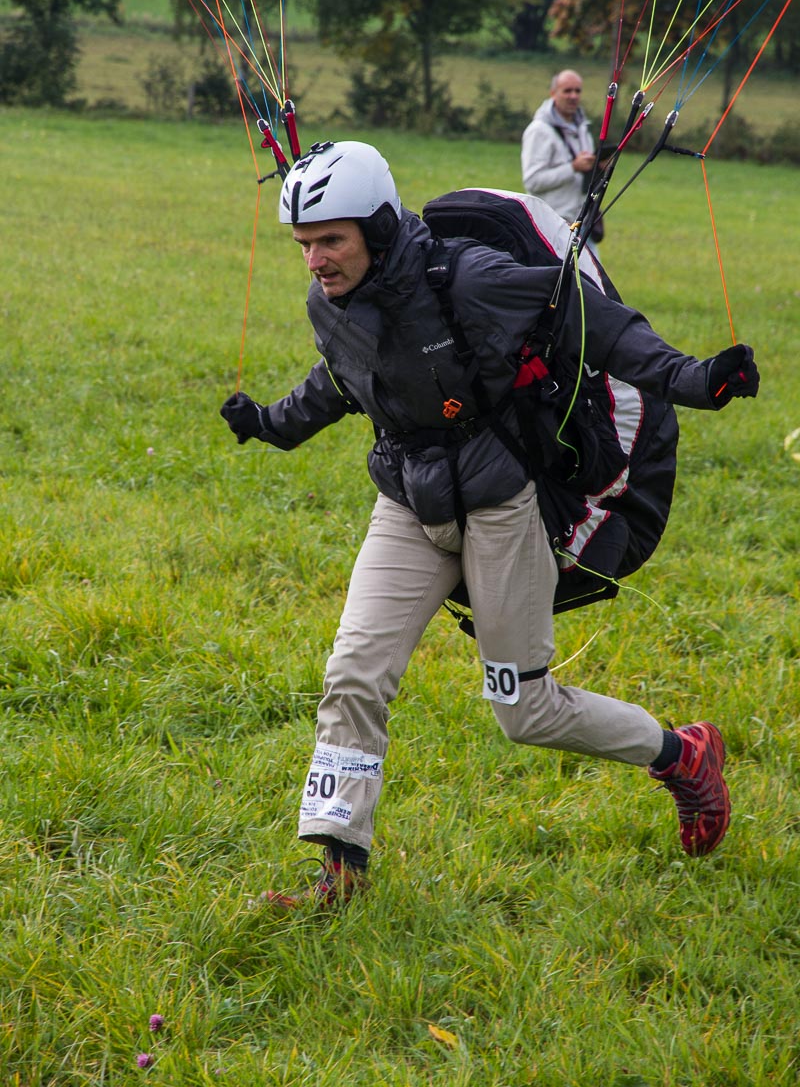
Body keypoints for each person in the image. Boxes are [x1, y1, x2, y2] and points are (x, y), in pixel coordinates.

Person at [220, 140, 759, 908]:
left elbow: (596, 325)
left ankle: (681, 752)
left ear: (377, 227)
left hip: (501, 504)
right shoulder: (328, 300)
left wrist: (695, 379)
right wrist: (271, 425)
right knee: (354, 674)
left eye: (330, 240)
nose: (315, 260)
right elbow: (343, 377)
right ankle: (340, 874)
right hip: (409, 500)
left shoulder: (470, 280)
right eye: (304, 244)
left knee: (524, 710)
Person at [521, 69, 599, 240]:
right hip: (551, 225)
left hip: (582, 222)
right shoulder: (539, 131)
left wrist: (598, 167)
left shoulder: (583, 128)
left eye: (577, 91)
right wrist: (573, 168)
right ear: (553, 93)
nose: (573, 96)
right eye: (567, 91)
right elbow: (533, 181)